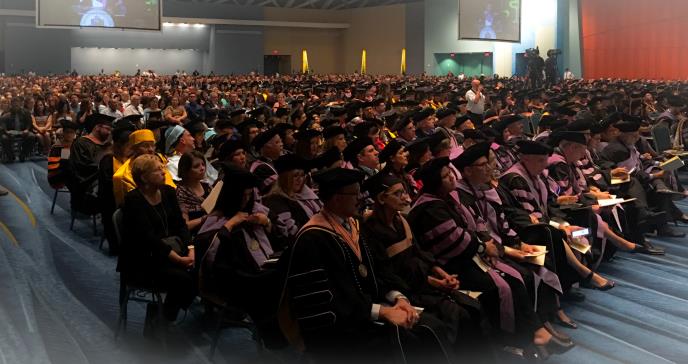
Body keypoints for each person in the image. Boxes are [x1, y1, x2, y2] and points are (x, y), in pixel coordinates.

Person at [407, 157, 574, 359]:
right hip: (452, 264)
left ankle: (536, 332)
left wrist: (490, 247)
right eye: (445, 176)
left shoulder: (448, 198)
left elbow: (474, 227)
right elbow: (454, 240)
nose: (451, 177)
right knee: (503, 284)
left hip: (471, 255)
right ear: (435, 182)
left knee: (520, 277)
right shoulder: (430, 208)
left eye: (450, 172)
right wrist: (483, 247)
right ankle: (517, 339)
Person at [282, 167, 450, 363]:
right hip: (341, 332)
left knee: (432, 326)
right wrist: (383, 312)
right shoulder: (311, 238)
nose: (359, 199)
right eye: (354, 194)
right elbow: (329, 300)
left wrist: (398, 298)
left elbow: (376, 270)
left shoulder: (353, 225)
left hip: (365, 311)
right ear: (336, 198)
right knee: (415, 338)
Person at [361, 171, 488, 359]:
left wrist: (443, 274)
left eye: (404, 191)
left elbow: (419, 252)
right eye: (398, 194)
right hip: (405, 291)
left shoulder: (401, 220)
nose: (406, 198)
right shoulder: (370, 232)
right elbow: (388, 274)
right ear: (381, 198)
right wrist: (435, 283)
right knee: (455, 316)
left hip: (424, 284)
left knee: (473, 307)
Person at [119, 154, 196, 326]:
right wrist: (180, 259)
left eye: (162, 167)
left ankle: (162, 315)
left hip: (172, 251)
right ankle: (162, 319)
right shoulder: (133, 200)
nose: (163, 172)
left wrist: (191, 249)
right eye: (157, 170)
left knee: (202, 269)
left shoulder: (168, 192)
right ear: (144, 177)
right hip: (144, 260)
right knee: (184, 280)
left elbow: (180, 225)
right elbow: (148, 239)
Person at [263, 154, 322, 249]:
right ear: (285, 178)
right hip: (300, 247)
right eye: (295, 176)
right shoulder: (276, 200)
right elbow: (291, 232)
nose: (300, 179)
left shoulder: (309, 196)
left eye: (302, 175)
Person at [113, 129, 176, 206]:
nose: (151, 150)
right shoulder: (122, 176)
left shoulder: (159, 163)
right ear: (134, 149)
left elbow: (171, 187)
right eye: (145, 146)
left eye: (153, 145)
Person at [68, 113, 114, 215]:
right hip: (86, 190)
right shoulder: (81, 143)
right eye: (108, 129)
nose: (109, 133)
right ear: (97, 127)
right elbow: (82, 169)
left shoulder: (107, 144)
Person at [176, 151, 211, 233]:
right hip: (197, 236)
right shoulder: (181, 193)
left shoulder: (207, 186)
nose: (202, 168)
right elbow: (185, 226)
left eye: (203, 164)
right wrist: (205, 218)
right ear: (186, 170)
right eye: (196, 166)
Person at [0, 96, 37, 162]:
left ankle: (23, 154)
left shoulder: (26, 112)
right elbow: (3, 124)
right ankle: (11, 156)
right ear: (11, 104)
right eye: (14, 104)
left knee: (32, 136)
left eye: (17, 104)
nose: (16, 105)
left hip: (23, 132)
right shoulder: (6, 113)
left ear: (20, 104)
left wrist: (27, 129)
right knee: (4, 138)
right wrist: (6, 132)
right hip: (10, 133)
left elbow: (29, 123)